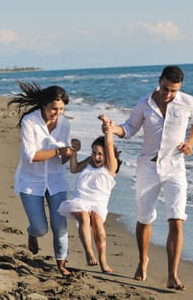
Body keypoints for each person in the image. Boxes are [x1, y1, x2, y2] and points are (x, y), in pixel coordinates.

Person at [103, 66, 193, 290]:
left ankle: (172, 275)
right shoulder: (144, 103)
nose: (168, 94)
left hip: (175, 167)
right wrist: (113, 128)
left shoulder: (188, 102)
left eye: (173, 91)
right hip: (148, 169)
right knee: (145, 218)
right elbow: (128, 129)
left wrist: (190, 143)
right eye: (165, 89)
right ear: (159, 81)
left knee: (176, 220)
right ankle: (143, 259)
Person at [8, 81, 77, 276]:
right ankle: (32, 234)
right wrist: (58, 151)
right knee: (40, 228)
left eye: (62, 109)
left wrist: (71, 151)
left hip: (56, 179)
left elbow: (62, 159)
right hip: (30, 180)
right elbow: (31, 155)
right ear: (44, 105)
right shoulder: (29, 121)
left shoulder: (65, 123)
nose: (58, 113)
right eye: (54, 109)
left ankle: (61, 263)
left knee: (60, 225)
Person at [58, 115, 121, 273]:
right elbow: (73, 169)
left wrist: (107, 125)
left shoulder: (110, 167)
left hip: (98, 203)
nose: (96, 156)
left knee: (98, 225)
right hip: (81, 199)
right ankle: (89, 252)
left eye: (100, 154)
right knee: (85, 217)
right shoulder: (89, 162)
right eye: (94, 153)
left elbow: (109, 143)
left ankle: (103, 260)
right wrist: (73, 154)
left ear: (107, 155)